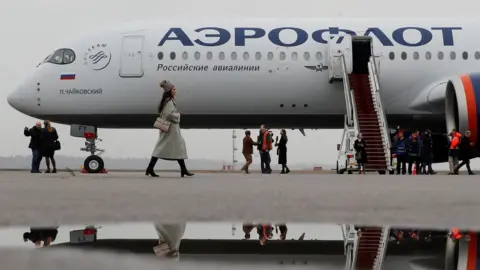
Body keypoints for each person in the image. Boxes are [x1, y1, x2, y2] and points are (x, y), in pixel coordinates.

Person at [146, 80, 194, 178]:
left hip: (169, 128)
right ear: (169, 91)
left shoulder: (168, 101)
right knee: (172, 147)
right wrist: (178, 114)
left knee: (173, 147)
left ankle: (183, 169)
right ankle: (183, 170)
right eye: (174, 89)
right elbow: (169, 114)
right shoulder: (169, 102)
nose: (175, 91)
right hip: (171, 129)